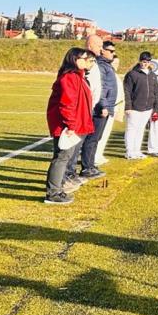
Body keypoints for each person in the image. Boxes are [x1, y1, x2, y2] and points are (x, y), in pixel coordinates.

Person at [44, 48, 96, 204]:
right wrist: (71, 125)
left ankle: (58, 189)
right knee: (61, 157)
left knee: (65, 157)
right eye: (86, 58)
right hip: (66, 126)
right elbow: (67, 103)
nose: (89, 62)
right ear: (75, 59)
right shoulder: (70, 77)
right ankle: (53, 193)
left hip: (72, 125)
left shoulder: (78, 77)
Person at [64, 35, 104, 185]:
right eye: (99, 45)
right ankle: (67, 175)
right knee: (71, 148)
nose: (101, 49)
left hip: (88, 110)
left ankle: (70, 173)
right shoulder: (74, 74)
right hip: (81, 112)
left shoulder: (92, 67)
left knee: (77, 146)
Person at [80, 39, 116, 178]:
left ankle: (90, 164)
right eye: (110, 51)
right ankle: (86, 167)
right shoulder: (100, 65)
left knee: (96, 138)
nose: (112, 53)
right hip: (99, 109)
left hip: (105, 107)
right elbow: (100, 88)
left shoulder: (106, 65)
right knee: (92, 138)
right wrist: (104, 105)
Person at [123, 52, 158, 160]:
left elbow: (155, 92)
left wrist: (155, 108)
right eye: (143, 61)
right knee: (131, 129)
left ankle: (136, 150)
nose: (145, 64)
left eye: (147, 62)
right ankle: (129, 151)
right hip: (135, 107)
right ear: (140, 61)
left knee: (140, 129)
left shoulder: (152, 75)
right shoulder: (132, 74)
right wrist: (128, 106)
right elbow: (127, 91)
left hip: (147, 108)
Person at [94, 54, 122, 166]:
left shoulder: (115, 75)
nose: (116, 65)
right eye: (114, 62)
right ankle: (95, 156)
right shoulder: (108, 75)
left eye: (118, 63)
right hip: (107, 107)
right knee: (100, 133)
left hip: (113, 107)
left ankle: (99, 154)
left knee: (105, 134)